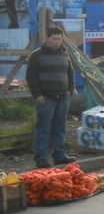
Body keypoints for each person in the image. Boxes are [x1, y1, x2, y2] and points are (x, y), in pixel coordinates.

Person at [26, 25, 76, 169]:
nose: (57, 42)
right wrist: (38, 95)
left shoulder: (65, 54)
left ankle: (59, 155)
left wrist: (70, 90)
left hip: (63, 98)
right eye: (54, 39)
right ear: (47, 38)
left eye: (60, 39)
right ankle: (41, 158)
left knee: (60, 128)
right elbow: (30, 77)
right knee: (43, 128)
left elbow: (70, 73)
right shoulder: (37, 55)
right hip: (46, 98)